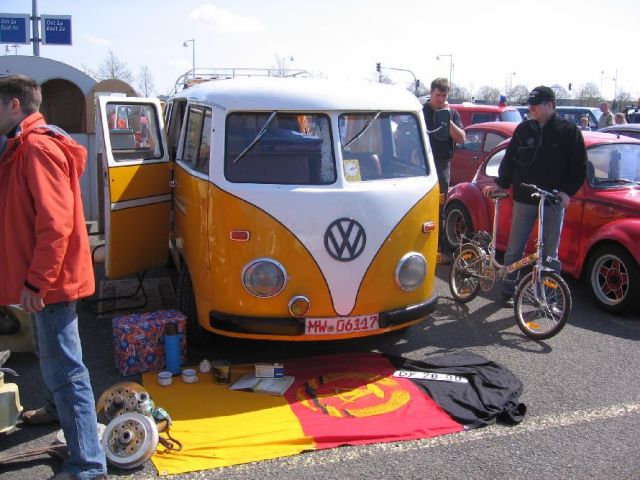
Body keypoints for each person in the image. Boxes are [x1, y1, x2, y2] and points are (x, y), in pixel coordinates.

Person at [0, 75, 107, 480]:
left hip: (50, 282)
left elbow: (55, 225)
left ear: (14, 105)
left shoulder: (37, 148)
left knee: (67, 370)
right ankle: (56, 410)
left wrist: (36, 282)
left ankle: (88, 465)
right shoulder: (24, 145)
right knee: (51, 356)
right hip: (45, 279)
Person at [483, 86, 587, 307]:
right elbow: (510, 160)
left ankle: (546, 297)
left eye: (535, 106)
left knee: (549, 252)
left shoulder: (568, 131)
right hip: (524, 198)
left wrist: (567, 191)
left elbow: (579, 166)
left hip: (552, 200)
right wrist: (501, 183)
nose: (531, 109)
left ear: (550, 105)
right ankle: (508, 290)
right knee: (515, 247)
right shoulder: (524, 129)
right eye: (530, 106)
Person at [422, 77, 466, 264]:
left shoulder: (452, 114)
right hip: (422, 164)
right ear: (431, 93)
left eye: (444, 96)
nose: (441, 99)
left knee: (440, 206)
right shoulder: (421, 112)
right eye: (438, 95)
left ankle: (439, 248)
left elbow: (461, 138)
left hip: (442, 163)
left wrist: (447, 119)